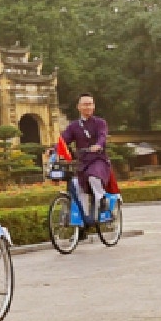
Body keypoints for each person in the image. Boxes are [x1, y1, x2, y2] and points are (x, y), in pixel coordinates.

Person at [60, 93, 113, 225]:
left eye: (90, 104)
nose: (88, 106)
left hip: (98, 159)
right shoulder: (73, 126)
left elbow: (102, 136)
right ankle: (84, 219)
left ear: (94, 106)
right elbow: (63, 140)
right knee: (77, 186)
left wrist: (98, 145)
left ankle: (102, 201)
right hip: (82, 161)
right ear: (78, 107)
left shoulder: (100, 123)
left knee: (93, 177)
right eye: (85, 104)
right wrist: (53, 149)